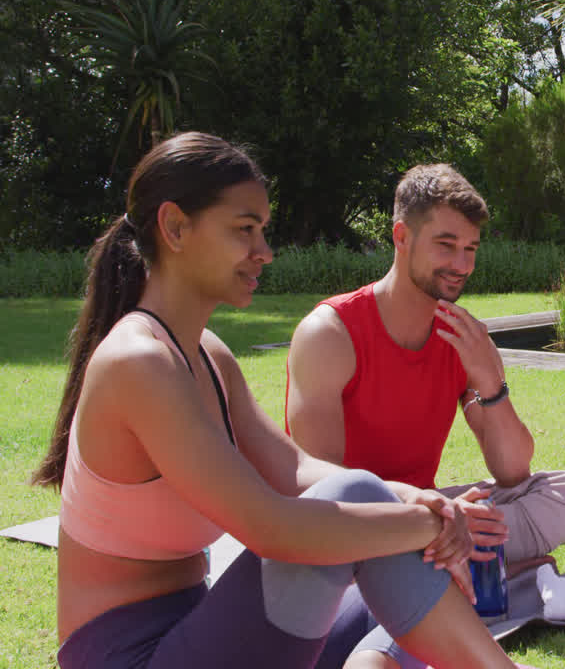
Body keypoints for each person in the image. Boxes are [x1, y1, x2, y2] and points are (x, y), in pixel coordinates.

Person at [32, 133, 525, 669]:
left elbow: (292, 467)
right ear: (175, 227)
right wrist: (431, 523)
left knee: (388, 577)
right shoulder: (138, 362)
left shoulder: (207, 354)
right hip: (132, 658)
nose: (263, 252)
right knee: (364, 507)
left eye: (262, 231)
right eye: (245, 230)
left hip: (201, 631)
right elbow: (273, 529)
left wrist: (419, 501)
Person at [285, 164, 565, 583]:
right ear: (402, 237)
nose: (461, 265)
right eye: (446, 245)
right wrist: (428, 513)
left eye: (471, 249)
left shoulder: (462, 338)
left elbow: (513, 473)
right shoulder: (330, 334)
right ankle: (479, 570)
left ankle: (448, 567)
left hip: (429, 518)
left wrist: (489, 381)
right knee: (335, 538)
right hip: (358, 526)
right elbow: (324, 490)